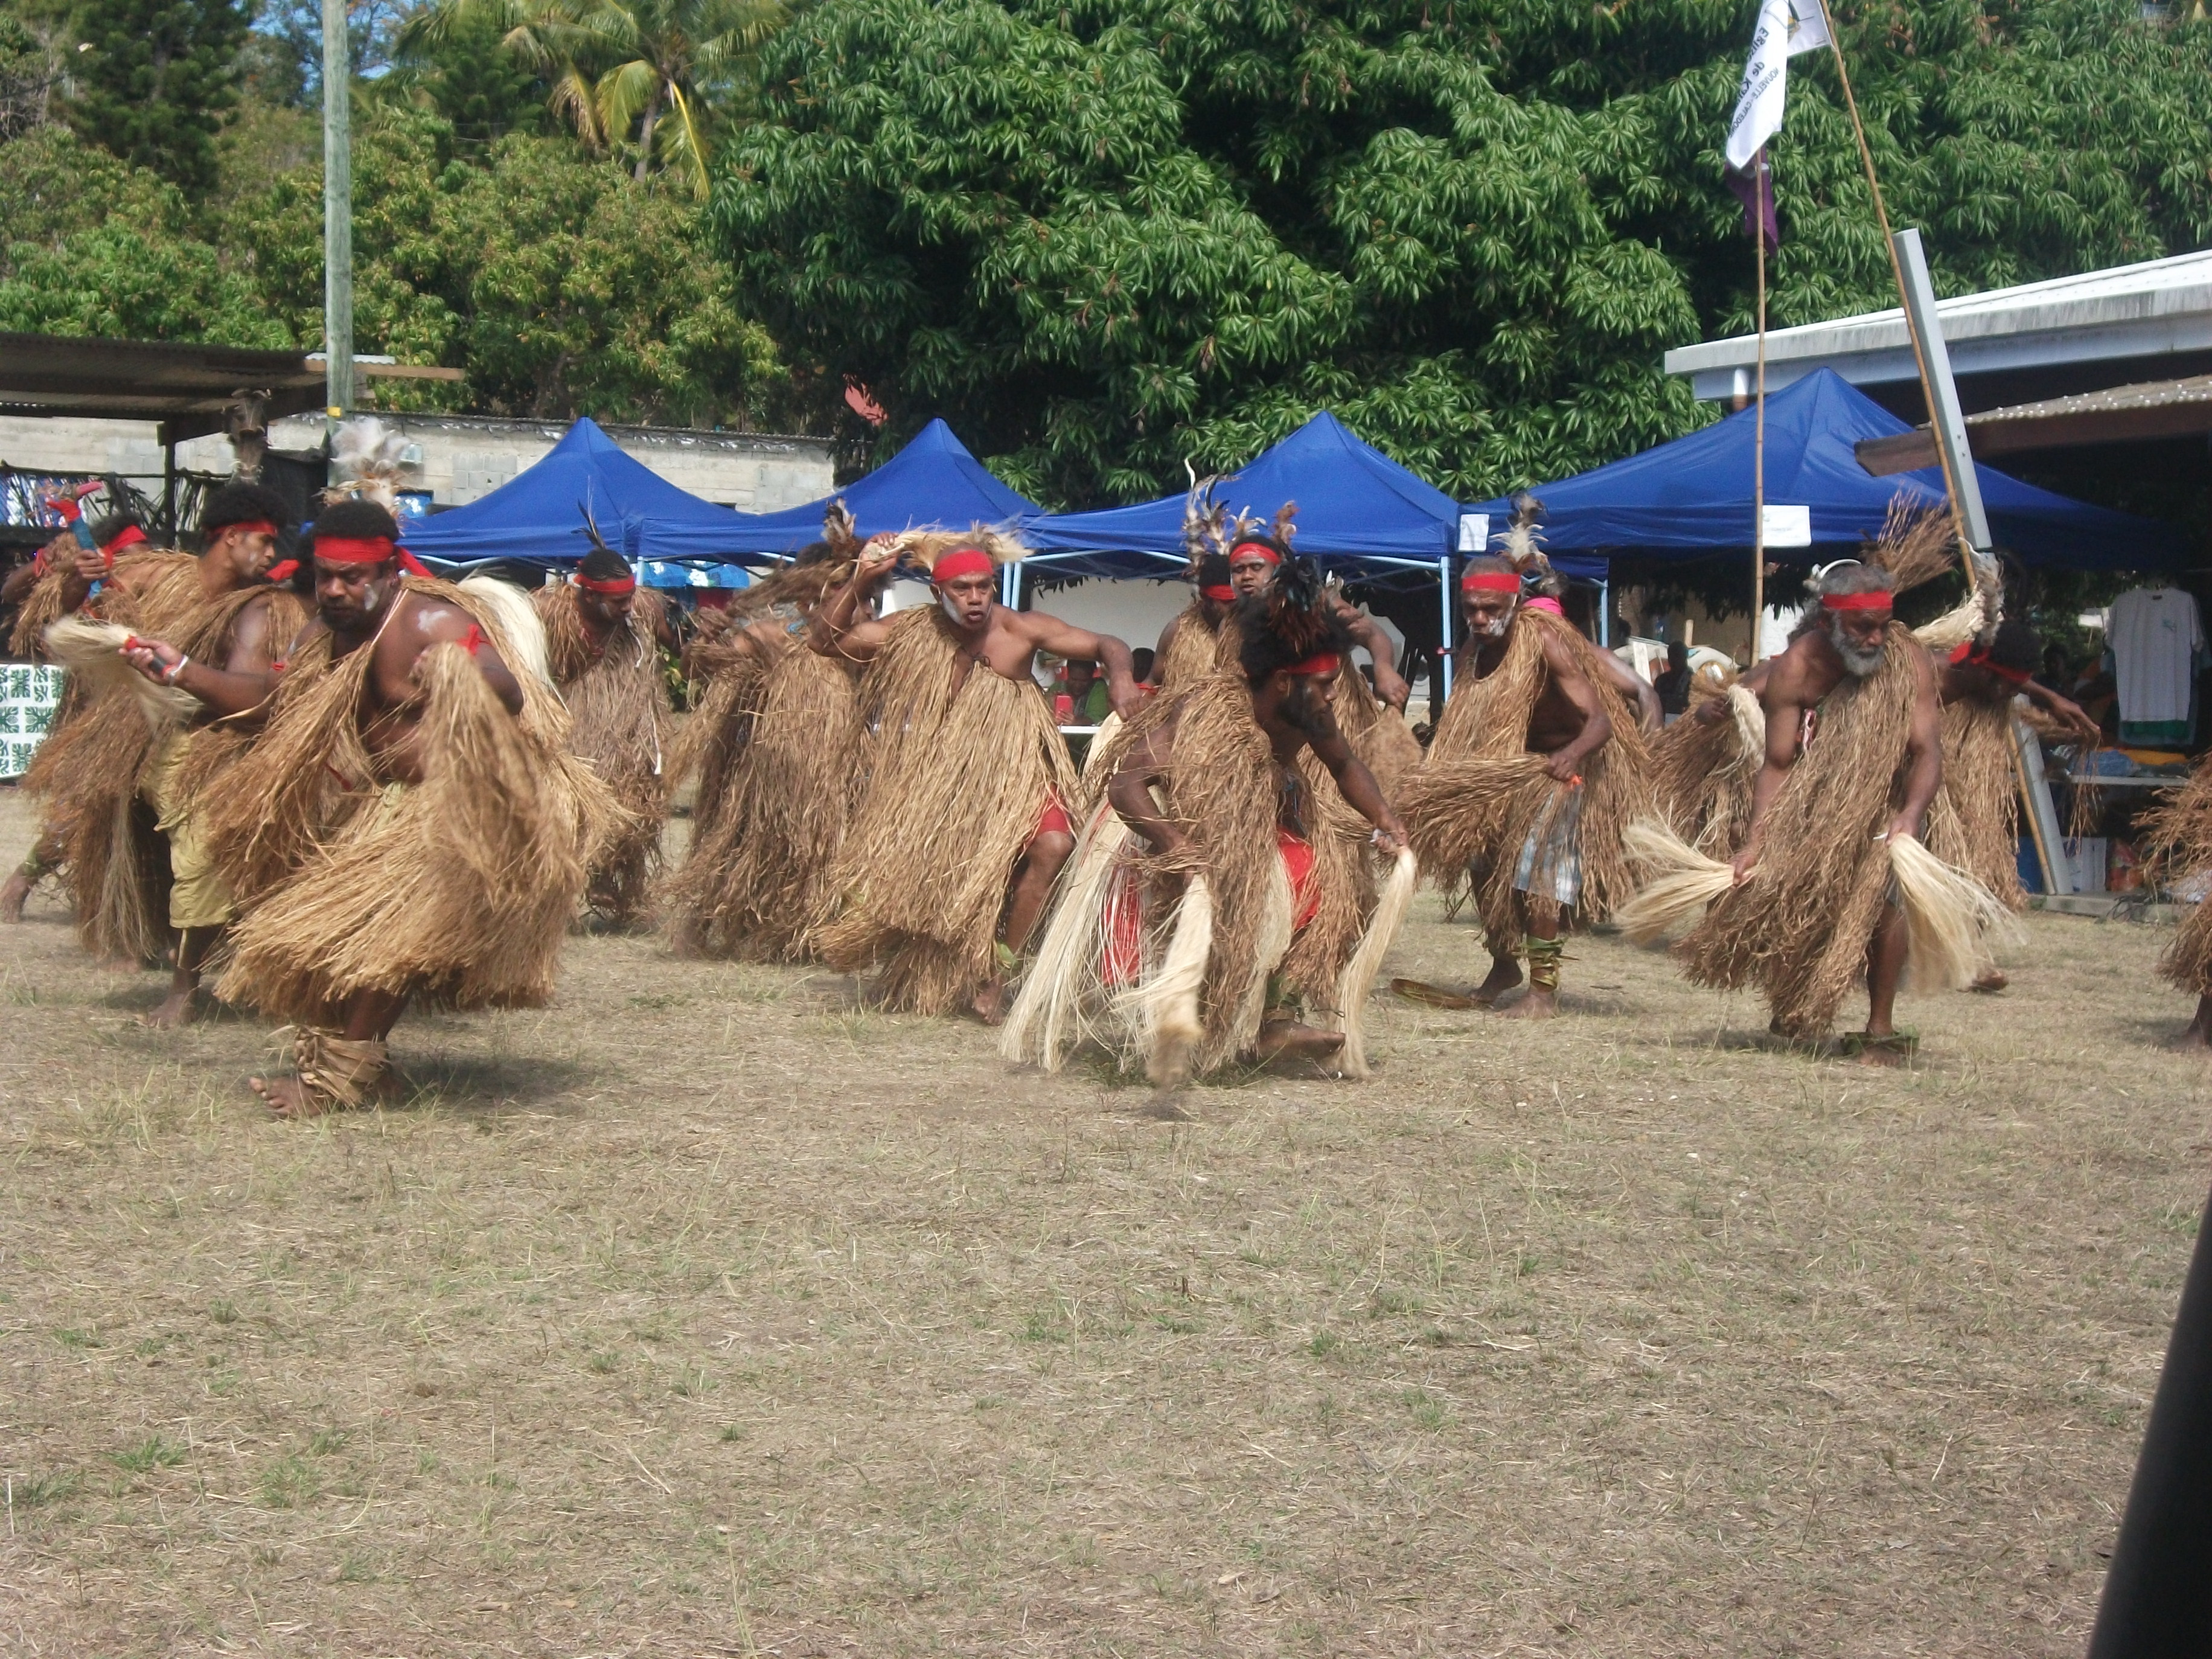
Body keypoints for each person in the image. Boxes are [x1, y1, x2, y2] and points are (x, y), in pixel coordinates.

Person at [130, 498, 612, 1116]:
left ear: (388, 573)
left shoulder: (429, 622)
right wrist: (185, 673)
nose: (333, 589)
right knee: (332, 947)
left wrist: (458, 670)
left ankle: (336, 1083)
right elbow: (272, 704)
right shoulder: (326, 634)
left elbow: (508, 686)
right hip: (386, 805)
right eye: (325, 575)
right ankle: (368, 1070)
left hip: (458, 808)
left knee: (389, 941)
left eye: (350, 578)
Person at [1003, 558, 1411, 1087]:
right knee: (1225, 902)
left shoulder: (1311, 711)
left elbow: (1344, 766)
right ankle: (1176, 1014)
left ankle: (1274, 1018)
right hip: (1172, 827)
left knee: (1326, 880)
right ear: (1285, 681)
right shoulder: (1204, 708)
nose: (1335, 695)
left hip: (1254, 825)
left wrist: (1385, 819)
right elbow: (1126, 785)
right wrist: (1175, 843)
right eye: (1327, 683)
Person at [809, 530, 1143, 1021]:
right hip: (943, 782)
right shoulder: (911, 632)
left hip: (1018, 770)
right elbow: (824, 643)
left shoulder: (1020, 630)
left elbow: (1106, 642)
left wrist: (1120, 676)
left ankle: (1000, 977)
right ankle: (929, 966)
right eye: (962, 589)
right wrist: (863, 579)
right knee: (941, 878)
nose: (975, 599)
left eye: (983, 587)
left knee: (1054, 846)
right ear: (936, 593)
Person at [5, 490, 305, 1000]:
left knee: (202, 854)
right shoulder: (158, 575)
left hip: (203, 744)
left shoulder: (266, 608)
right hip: (127, 732)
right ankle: (115, 927)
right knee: (100, 827)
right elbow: (64, 617)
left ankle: (188, 982)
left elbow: (258, 696)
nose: (272, 554)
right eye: (265, 541)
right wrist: (79, 577)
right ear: (232, 538)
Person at [1677, 561, 1943, 1062]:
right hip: (1816, 802)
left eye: (1883, 625)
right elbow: (1777, 763)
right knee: (1807, 902)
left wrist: (1910, 813)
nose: (1875, 638)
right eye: (1862, 627)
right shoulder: (1797, 667)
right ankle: (1798, 996)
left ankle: (1879, 1026)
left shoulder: (1909, 662)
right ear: (1827, 621)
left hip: (1889, 800)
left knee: (1884, 903)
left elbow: (1927, 749)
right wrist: (1757, 842)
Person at [1396, 552, 1651, 1017]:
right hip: (1508, 771)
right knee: (1477, 859)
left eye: (1491, 609)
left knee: (1541, 871)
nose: (1479, 618)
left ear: (1514, 601)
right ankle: (1503, 963)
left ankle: (1543, 991)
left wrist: (1571, 754)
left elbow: (1600, 721)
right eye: (1471, 608)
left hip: (1565, 767)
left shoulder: (1546, 643)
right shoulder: (1474, 651)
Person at [663, 525, 863, 962]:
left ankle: (814, 929)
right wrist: (706, 638)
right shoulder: (773, 633)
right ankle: (736, 923)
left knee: (829, 845)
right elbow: (697, 670)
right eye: (837, 588)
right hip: (773, 760)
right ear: (809, 591)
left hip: (838, 759)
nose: (849, 599)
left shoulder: (858, 630)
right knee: (752, 840)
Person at [1928, 618, 2100, 992]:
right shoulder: (1933, 676)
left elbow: (2005, 674)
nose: (2011, 693)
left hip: (1963, 771)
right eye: (2008, 685)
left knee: (1975, 858)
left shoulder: (1989, 676)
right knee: (1941, 855)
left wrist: (2052, 698)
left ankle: (1966, 956)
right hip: (1926, 767)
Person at [534, 543, 679, 927]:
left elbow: (685, 651)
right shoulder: (551, 614)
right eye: (618, 602)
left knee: (636, 810)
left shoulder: (645, 609)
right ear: (589, 595)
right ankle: (560, 895)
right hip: (572, 727)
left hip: (634, 732)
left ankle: (616, 886)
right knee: (571, 811)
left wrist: (703, 639)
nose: (627, 608)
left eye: (629, 598)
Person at [1653, 641, 1692, 721]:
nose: (1674, 660)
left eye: (1677, 656)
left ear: (1685, 657)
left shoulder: (1694, 681)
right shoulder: (1662, 680)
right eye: (1671, 657)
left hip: (1685, 725)